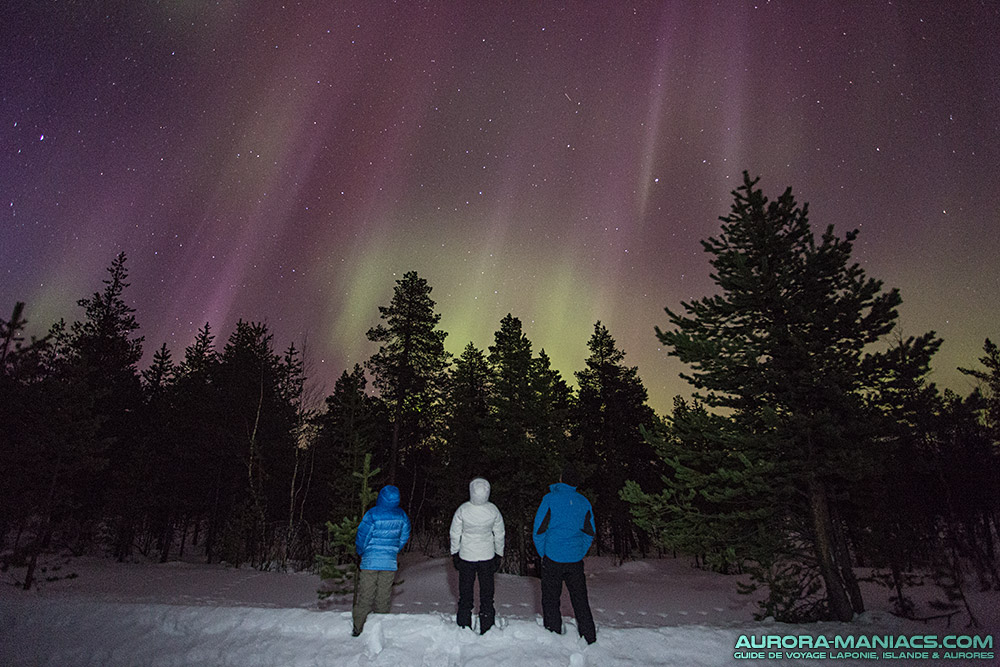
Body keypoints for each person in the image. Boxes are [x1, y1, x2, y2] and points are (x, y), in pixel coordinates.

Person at [532, 464, 597, 644]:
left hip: (553, 558)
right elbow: (589, 532)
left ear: (561, 479)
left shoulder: (550, 499)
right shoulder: (583, 502)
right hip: (575, 561)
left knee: (551, 600)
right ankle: (589, 637)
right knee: (580, 600)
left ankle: (553, 637)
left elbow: (538, 531)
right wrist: (579, 551)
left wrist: (543, 553)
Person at [352, 484, 411, 637]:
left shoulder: (372, 514)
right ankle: (380, 629)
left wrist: (361, 551)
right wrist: (394, 550)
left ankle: (358, 628)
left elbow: (362, 536)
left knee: (366, 594)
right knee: (383, 596)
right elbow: (404, 536)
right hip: (389, 563)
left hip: (370, 561)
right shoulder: (402, 515)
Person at [450, 477, 505, 633]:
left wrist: (455, 552)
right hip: (487, 557)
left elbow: (455, 533)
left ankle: (463, 626)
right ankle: (487, 626)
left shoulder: (463, 509)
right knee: (487, 595)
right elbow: (499, 534)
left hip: (467, 556)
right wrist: (499, 553)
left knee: (465, 594)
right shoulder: (493, 510)